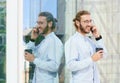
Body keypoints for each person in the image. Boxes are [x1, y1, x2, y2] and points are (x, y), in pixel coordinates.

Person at [65, 10, 107, 83]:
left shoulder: (90, 41)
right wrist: (91, 59)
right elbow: (70, 65)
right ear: (78, 23)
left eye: (90, 21)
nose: (89, 24)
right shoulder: (72, 41)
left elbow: (104, 55)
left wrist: (97, 37)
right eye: (86, 21)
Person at [24, 12, 63, 83]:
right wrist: (33, 39)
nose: (38, 26)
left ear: (50, 24)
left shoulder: (54, 42)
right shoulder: (44, 42)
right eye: (38, 23)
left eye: (41, 23)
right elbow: (28, 53)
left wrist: (34, 60)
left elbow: (54, 66)